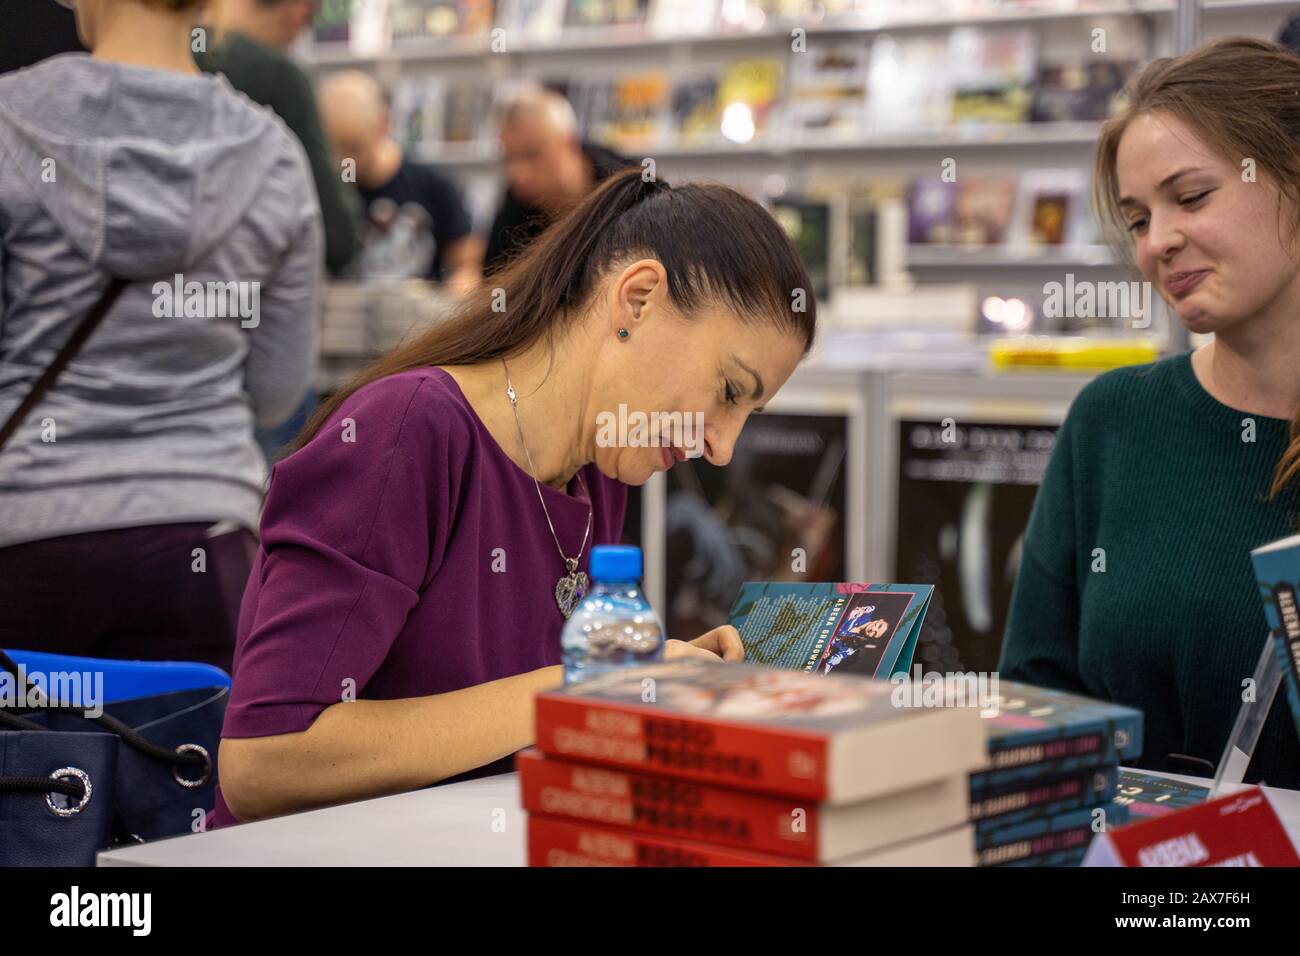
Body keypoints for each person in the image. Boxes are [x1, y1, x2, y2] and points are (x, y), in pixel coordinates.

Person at [212, 168, 818, 824]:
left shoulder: (599, 472)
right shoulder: (406, 432)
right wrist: (588, 689)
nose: (723, 446)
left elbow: (508, 731)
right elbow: (265, 759)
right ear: (637, 300)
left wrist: (654, 688)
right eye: (729, 390)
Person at [999, 37, 1300, 789]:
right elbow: (1032, 702)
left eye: (1191, 197)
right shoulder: (1113, 420)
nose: (1158, 242)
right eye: (1137, 220)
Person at [0, 0, 322, 671]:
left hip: (26, 530)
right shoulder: (275, 159)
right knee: (183, 769)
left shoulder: (9, 124)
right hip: (202, 540)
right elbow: (276, 390)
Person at [196, 0, 360, 277]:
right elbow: (334, 235)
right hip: (243, 298)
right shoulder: (280, 79)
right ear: (300, 9)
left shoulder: (162, 57)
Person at [319, 70, 481, 294]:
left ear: (383, 125)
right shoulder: (326, 192)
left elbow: (468, 267)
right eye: (335, 150)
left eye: (355, 147)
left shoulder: (434, 186)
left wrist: (451, 299)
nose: (345, 163)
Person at [483, 84, 633, 275]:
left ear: (568, 143)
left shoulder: (630, 189)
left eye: (531, 154)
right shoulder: (511, 213)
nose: (518, 174)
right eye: (508, 158)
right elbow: (495, 288)